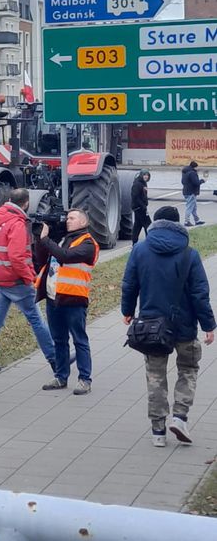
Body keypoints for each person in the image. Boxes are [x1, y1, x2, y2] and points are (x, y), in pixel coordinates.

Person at [121, 205, 216, 447]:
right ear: (179, 226)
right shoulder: (189, 254)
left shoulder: (140, 250)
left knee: (155, 375)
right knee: (188, 369)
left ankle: (158, 431)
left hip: (152, 327)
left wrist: (127, 311)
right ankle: (180, 417)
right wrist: (209, 325)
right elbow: (199, 294)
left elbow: (129, 284)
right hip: (184, 327)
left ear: (156, 224)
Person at [0, 189, 58, 377]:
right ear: (25, 204)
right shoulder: (17, 224)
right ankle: (55, 358)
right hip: (16, 281)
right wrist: (30, 278)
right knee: (36, 319)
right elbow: (16, 256)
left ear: (9, 200)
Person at [36, 209, 98, 395]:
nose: (68, 221)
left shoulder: (88, 243)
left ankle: (84, 379)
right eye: (67, 218)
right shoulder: (63, 239)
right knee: (59, 340)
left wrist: (46, 240)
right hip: (54, 297)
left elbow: (65, 256)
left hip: (74, 298)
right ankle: (61, 377)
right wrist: (40, 239)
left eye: (72, 218)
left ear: (83, 222)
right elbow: (40, 260)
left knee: (79, 339)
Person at [181, 161, 206, 227]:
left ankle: (197, 220)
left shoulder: (185, 172)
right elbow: (196, 183)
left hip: (186, 191)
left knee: (194, 207)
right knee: (189, 207)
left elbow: (182, 181)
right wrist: (202, 181)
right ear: (194, 167)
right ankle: (187, 221)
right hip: (191, 192)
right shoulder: (192, 173)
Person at [131, 169, 151, 243]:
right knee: (148, 224)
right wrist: (143, 206)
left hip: (141, 207)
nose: (146, 177)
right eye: (144, 175)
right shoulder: (137, 184)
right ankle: (149, 241)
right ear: (141, 175)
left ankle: (134, 242)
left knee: (137, 225)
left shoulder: (143, 183)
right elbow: (135, 197)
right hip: (139, 208)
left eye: (147, 175)